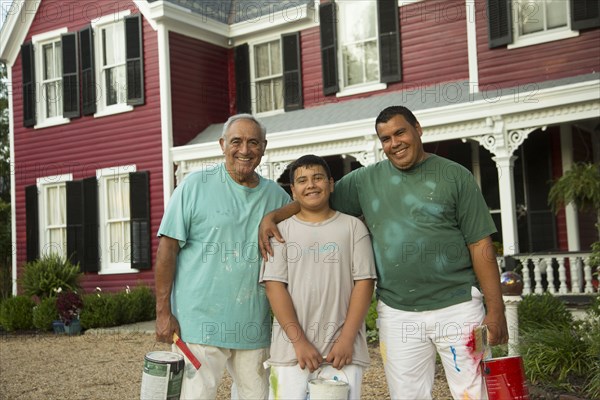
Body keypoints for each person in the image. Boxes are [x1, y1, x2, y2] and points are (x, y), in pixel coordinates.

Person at [259, 106, 509, 399]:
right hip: (398, 312)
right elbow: (317, 195)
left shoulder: (455, 176)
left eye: (400, 132)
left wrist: (496, 309)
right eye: (385, 138)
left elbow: (480, 245)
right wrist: (273, 217)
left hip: (458, 307)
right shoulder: (366, 181)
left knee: (473, 392)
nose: (394, 143)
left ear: (418, 129)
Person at [155, 114, 291, 400]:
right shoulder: (194, 186)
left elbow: (313, 212)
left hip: (253, 323)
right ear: (222, 144)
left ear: (264, 147)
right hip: (198, 325)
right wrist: (163, 312)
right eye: (236, 141)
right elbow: (167, 249)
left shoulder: (278, 198)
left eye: (253, 142)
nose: (244, 150)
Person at [260, 154, 376, 400]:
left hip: (343, 352)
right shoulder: (281, 232)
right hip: (292, 351)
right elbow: (274, 288)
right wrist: (299, 342)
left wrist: (346, 340)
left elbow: (364, 283)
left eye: (318, 178)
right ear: (293, 190)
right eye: (302, 180)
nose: (311, 185)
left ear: (331, 184)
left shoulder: (353, 228)